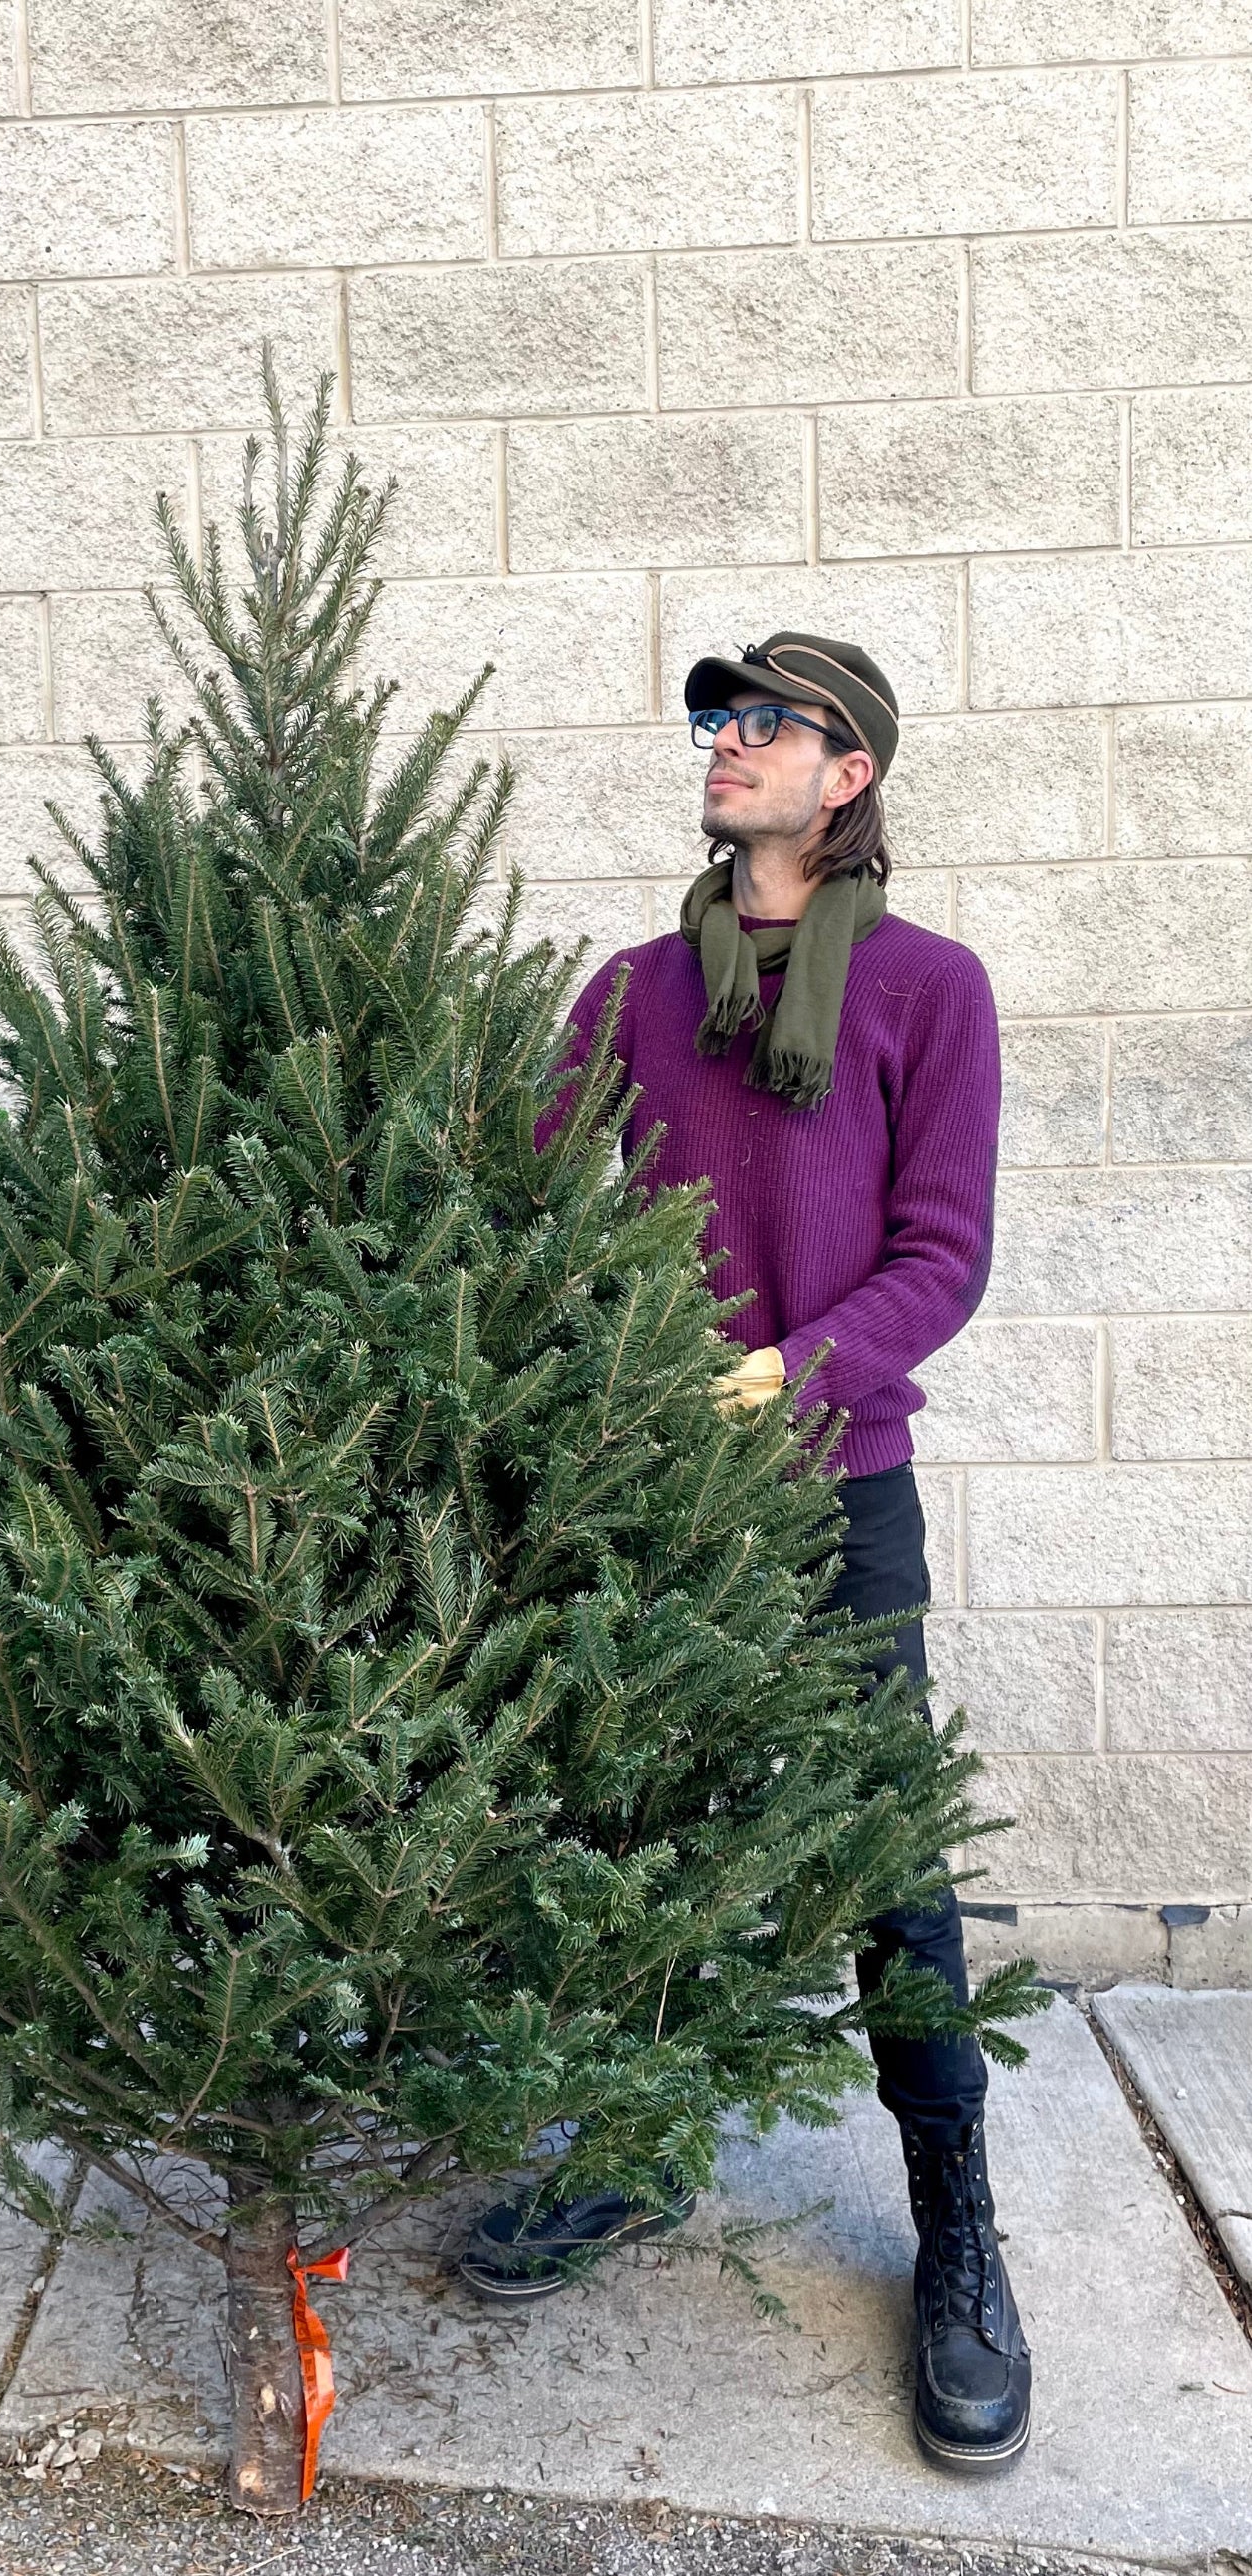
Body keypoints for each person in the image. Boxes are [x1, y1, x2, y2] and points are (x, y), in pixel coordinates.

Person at [457, 631, 1030, 2476]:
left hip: (834, 1474)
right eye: (718, 719)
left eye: (765, 723)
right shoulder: (631, 990)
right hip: (655, 1490)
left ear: (845, 771)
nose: (726, 745)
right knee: (644, 1829)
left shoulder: (928, 990)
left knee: (884, 1853)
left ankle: (955, 2229)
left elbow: (941, 1253)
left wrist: (787, 1374)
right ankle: (629, 2151)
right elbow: (548, 1202)